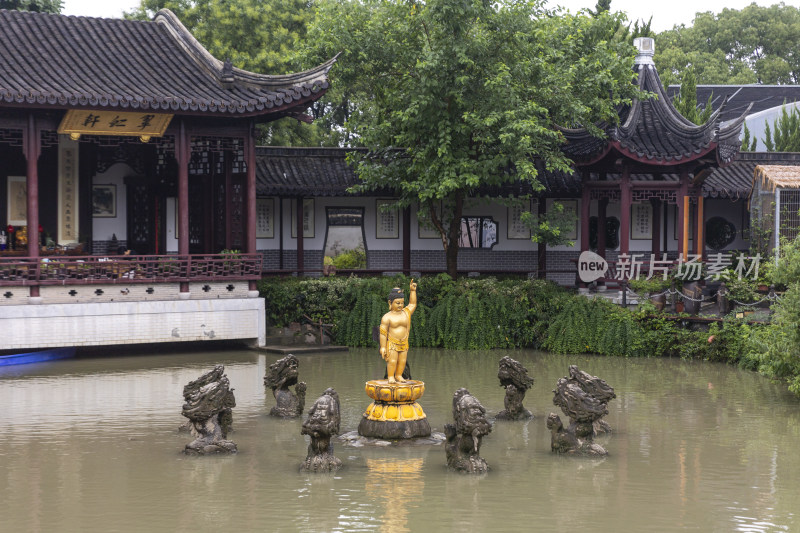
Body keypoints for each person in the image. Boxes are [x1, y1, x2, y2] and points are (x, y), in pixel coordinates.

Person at [379, 280, 417, 383]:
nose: (400, 305)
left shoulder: (406, 313)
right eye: (397, 303)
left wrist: (413, 291)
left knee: (402, 361)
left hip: (404, 342)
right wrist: (383, 347)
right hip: (392, 343)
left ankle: (399, 375)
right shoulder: (387, 317)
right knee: (392, 361)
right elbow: (383, 333)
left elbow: (413, 304)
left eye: (402, 303)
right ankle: (391, 376)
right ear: (390, 303)